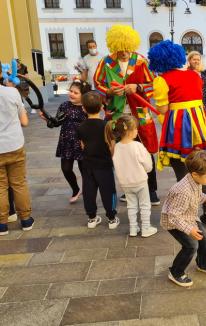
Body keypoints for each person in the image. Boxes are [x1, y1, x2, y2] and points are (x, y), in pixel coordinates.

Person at [148, 40, 206, 228]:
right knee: (201, 165)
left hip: (179, 127)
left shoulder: (161, 80)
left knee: (183, 169)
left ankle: (189, 213)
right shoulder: (195, 75)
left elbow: (162, 109)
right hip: (200, 124)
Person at [94, 25, 160, 206]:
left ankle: (152, 190)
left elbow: (153, 84)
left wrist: (137, 87)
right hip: (116, 115)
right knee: (121, 153)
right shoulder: (105, 62)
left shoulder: (141, 61)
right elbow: (97, 83)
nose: (124, 53)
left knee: (145, 150)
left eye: (128, 49)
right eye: (121, 49)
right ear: (114, 46)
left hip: (139, 114)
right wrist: (109, 91)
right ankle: (129, 189)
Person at [160, 150, 206, 287]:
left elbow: (197, 195)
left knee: (204, 239)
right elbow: (173, 216)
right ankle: (176, 272)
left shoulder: (195, 181)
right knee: (191, 246)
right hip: (174, 222)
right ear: (195, 174)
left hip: (189, 217)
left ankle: (203, 264)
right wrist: (189, 230)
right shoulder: (183, 191)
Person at [106, 115, 157, 237]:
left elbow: (116, 165)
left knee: (131, 205)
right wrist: (146, 169)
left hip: (126, 183)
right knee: (145, 204)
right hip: (140, 181)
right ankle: (146, 228)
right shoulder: (137, 146)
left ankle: (133, 228)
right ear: (129, 131)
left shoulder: (117, 147)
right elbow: (148, 165)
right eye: (135, 129)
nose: (137, 131)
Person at [42, 80, 91, 203]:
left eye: (76, 92)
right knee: (66, 169)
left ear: (83, 95)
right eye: (71, 91)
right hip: (67, 142)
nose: (72, 94)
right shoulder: (64, 105)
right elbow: (56, 122)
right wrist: (47, 119)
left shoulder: (87, 107)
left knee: (84, 170)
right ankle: (75, 189)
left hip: (82, 143)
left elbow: (92, 124)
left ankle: (87, 188)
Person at [0, 62, 34, 235]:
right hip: (14, 144)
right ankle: (26, 220)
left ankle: (2, 224)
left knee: (0, 186)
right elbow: (25, 122)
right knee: (19, 183)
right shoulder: (12, 92)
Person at [77, 92, 119, 229]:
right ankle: (112, 218)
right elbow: (111, 145)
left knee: (88, 190)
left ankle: (92, 218)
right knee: (108, 190)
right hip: (104, 164)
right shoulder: (106, 125)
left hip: (87, 164)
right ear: (102, 106)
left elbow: (82, 145)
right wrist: (111, 157)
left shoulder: (80, 126)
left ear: (83, 108)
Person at [187, 51, 206, 120]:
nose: (196, 61)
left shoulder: (203, 71)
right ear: (189, 60)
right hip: (193, 102)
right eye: (194, 59)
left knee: (205, 120)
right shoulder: (186, 72)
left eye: (198, 60)